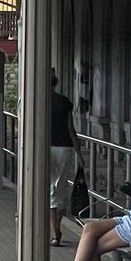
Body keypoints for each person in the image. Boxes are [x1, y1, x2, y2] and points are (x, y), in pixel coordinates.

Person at [50, 76, 85, 246]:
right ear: (55, 83)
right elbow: (71, 128)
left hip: (45, 148)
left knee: (50, 189)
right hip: (64, 147)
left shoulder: (37, 100)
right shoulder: (64, 102)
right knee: (60, 188)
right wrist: (79, 153)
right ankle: (56, 230)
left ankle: (54, 232)